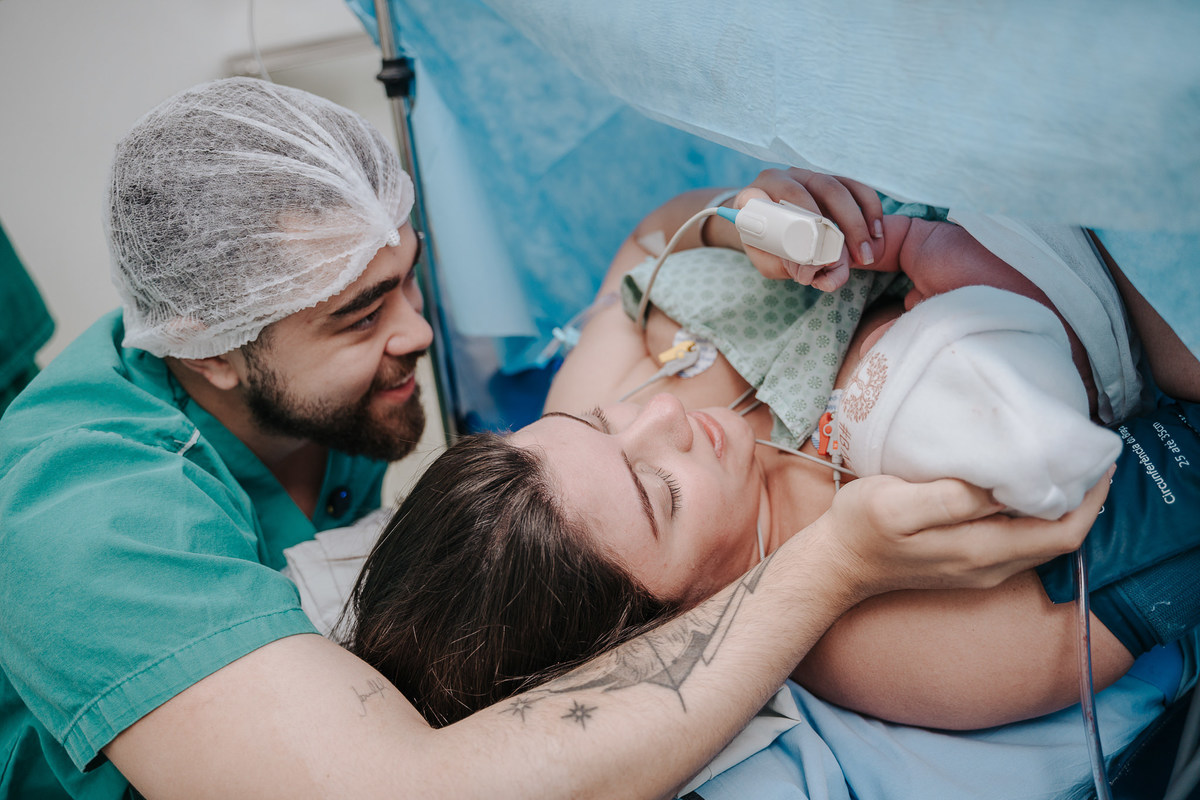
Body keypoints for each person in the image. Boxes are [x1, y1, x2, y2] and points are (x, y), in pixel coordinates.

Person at [0, 78, 1099, 800]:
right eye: (356, 316)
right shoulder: (90, 518)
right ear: (211, 355)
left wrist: (736, 219)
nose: (420, 334)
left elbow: (651, 252)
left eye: (403, 276)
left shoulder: (313, 399)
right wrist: (831, 562)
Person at [343, 173, 1198, 740]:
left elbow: (653, 241)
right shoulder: (884, 639)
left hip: (975, 152)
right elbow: (1175, 488)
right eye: (659, 494)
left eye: (607, 425)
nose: (667, 418)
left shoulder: (566, 468)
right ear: (663, 628)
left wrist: (746, 219)